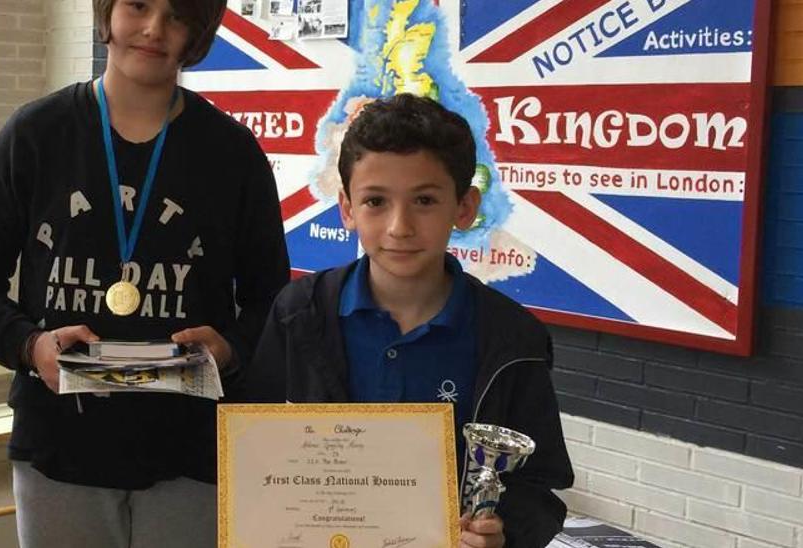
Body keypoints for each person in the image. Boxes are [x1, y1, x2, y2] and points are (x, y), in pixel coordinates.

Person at [0, 0, 289, 546]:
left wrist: (231, 348)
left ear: (200, 30)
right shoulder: (34, 135)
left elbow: (272, 301)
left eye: (178, 14)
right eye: (138, 5)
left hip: (191, 448)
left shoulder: (232, 153)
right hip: (59, 443)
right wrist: (30, 345)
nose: (154, 29)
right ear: (107, 12)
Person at [244, 94, 574, 548]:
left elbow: (539, 485)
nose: (400, 226)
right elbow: (252, 450)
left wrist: (503, 533)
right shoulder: (299, 313)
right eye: (376, 201)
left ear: (464, 207)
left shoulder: (513, 341)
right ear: (346, 208)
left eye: (423, 200)